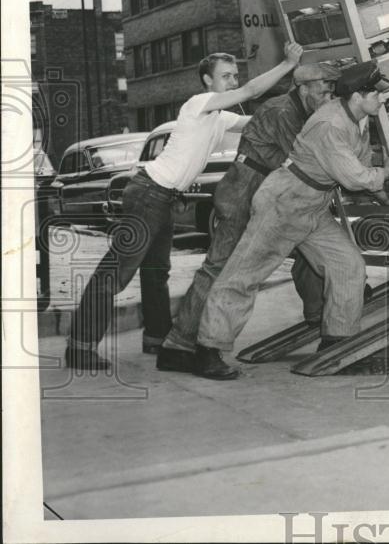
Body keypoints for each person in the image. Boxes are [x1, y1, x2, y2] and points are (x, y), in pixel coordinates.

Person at [64, 42, 304, 370]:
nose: (232, 81)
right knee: (116, 273)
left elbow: (259, 120)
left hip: (163, 198)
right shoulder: (199, 103)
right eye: (225, 76)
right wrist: (289, 63)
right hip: (148, 193)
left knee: (155, 272)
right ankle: (79, 348)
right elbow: (250, 90)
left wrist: (298, 92)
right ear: (207, 80)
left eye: (234, 75)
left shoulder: (220, 118)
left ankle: (157, 338)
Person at [193, 61, 389, 380]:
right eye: (377, 94)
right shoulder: (329, 124)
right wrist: (385, 174)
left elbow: (359, 163)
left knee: (347, 265)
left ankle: (337, 345)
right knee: (245, 274)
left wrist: (384, 194)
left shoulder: (357, 119)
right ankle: (208, 350)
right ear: (358, 96)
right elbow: (354, 176)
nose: (382, 100)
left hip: (311, 204)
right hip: (284, 202)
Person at [155, 61, 340, 374]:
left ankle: (322, 314)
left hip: (264, 191)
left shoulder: (293, 109)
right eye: (324, 86)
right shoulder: (282, 111)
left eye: (332, 88)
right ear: (303, 86)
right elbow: (306, 157)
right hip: (246, 190)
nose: (329, 93)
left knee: (307, 250)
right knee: (220, 270)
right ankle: (182, 345)